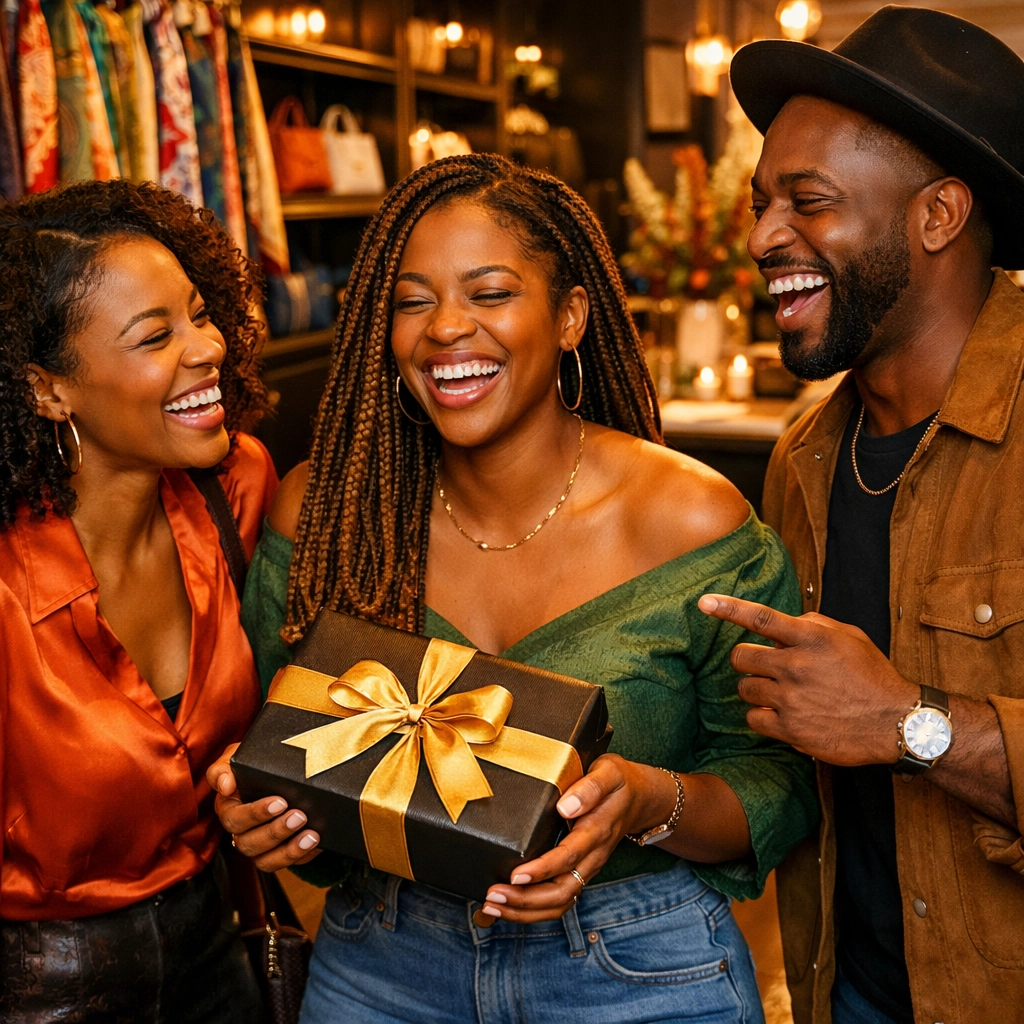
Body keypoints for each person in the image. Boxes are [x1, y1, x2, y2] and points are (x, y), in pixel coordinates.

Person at [208, 154, 818, 1024]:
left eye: (489, 293)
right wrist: (279, 824)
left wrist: (649, 801)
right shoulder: (328, 515)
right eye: (412, 301)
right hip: (381, 964)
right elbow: (289, 762)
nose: (445, 328)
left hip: (636, 969)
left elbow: (781, 783)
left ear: (571, 316)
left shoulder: (691, 520)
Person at [697, 8, 1024, 1024]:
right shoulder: (800, 460)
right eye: (760, 204)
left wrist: (903, 724)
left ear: (937, 216)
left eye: (809, 201)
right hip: (851, 989)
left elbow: (871, 723)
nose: (760, 239)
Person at [0, 180, 277, 1022]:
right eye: (157, 335)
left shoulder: (237, 489)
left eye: (200, 313)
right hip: (40, 985)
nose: (208, 349)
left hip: (217, 951)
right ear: (49, 390)